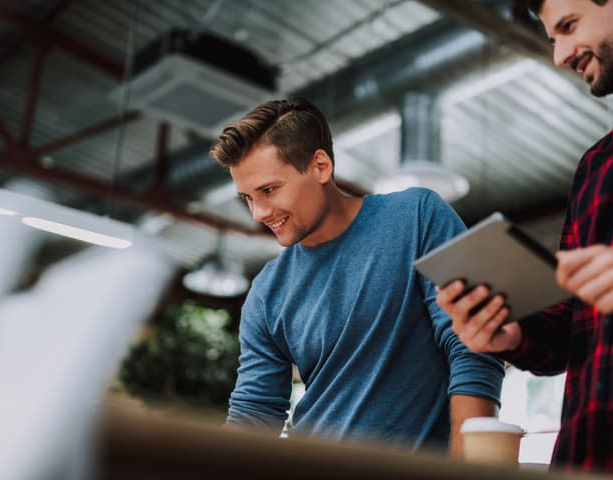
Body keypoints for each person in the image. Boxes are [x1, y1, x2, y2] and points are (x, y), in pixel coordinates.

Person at [208, 98, 504, 456]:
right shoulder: (267, 291)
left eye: (269, 190)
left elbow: (472, 344)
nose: (258, 213)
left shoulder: (417, 217)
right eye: (247, 198)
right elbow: (255, 413)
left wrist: (466, 467)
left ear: (320, 165)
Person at [436, 0, 613, 475]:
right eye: (552, 37)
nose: (559, 54)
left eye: (569, 26)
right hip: (589, 458)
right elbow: (566, 329)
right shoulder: (597, 167)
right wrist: (512, 334)